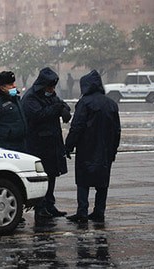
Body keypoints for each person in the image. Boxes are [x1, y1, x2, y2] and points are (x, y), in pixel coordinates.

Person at [65, 69, 121, 223]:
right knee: (102, 183)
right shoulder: (111, 104)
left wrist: (69, 145)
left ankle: (82, 211)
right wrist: (113, 150)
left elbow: (77, 127)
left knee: (83, 181)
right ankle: (99, 211)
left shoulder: (84, 103)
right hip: (105, 149)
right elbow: (117, 130)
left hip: (86, 148)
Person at [21, 67, 71, 221]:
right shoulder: (30, 98)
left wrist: (64, 109)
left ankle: (49, 204)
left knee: (52, 175)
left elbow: (60, 104)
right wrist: (56, 108)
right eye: (50, 87)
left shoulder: (50, 95)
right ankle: (40, 207)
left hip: (52, 142)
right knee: (42, 177)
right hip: (38, 144)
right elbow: (38, 115)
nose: (52, 90)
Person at [0, 71, 27, 152]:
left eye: (13, 83)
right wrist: (0, 141)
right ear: (2, 88)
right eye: (10, 85)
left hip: (21, 145)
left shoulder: (15, 100)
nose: (14, 86)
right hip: (7, 147)